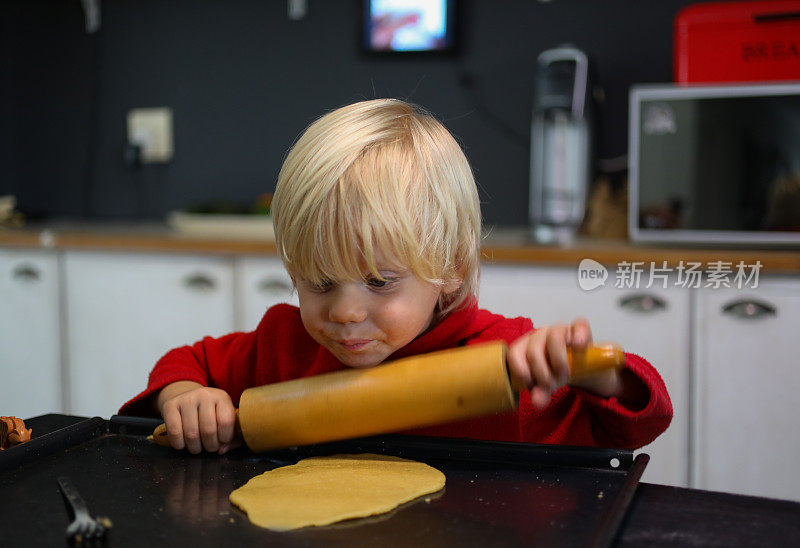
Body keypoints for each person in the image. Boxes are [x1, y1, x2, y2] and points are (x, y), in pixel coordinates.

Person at [119, 99, 672, 455]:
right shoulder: (282, 348)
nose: (344, 313)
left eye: (379, 283)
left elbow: (635, 422)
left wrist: (589, 373)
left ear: (451, 268)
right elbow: (190, 360)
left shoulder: (504, 364)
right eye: (318, 282)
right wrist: (187, 394)